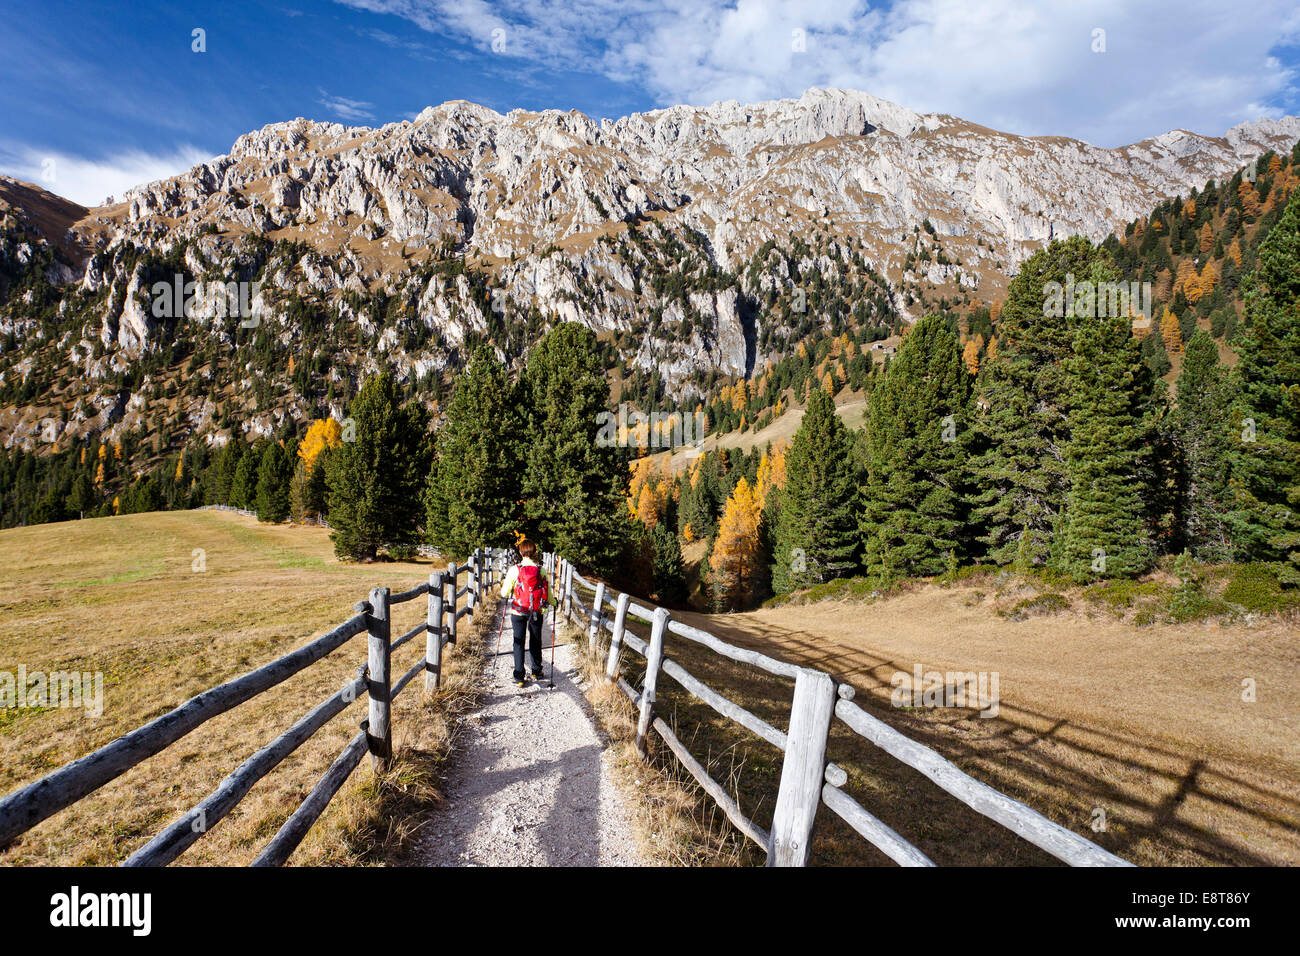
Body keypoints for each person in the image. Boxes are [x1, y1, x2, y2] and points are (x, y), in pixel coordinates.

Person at [499, 540, 550, 686]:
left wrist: (508, 587)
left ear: (521, 553)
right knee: (535, 640)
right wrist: (553, 603)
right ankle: (536, 670)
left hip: (518, 610)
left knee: (518, 642)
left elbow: (504, 593)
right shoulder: (541, 569)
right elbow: (548, 592)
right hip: (536, 610)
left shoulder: (514, 569)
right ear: (534, 552)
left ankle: (519, 677)